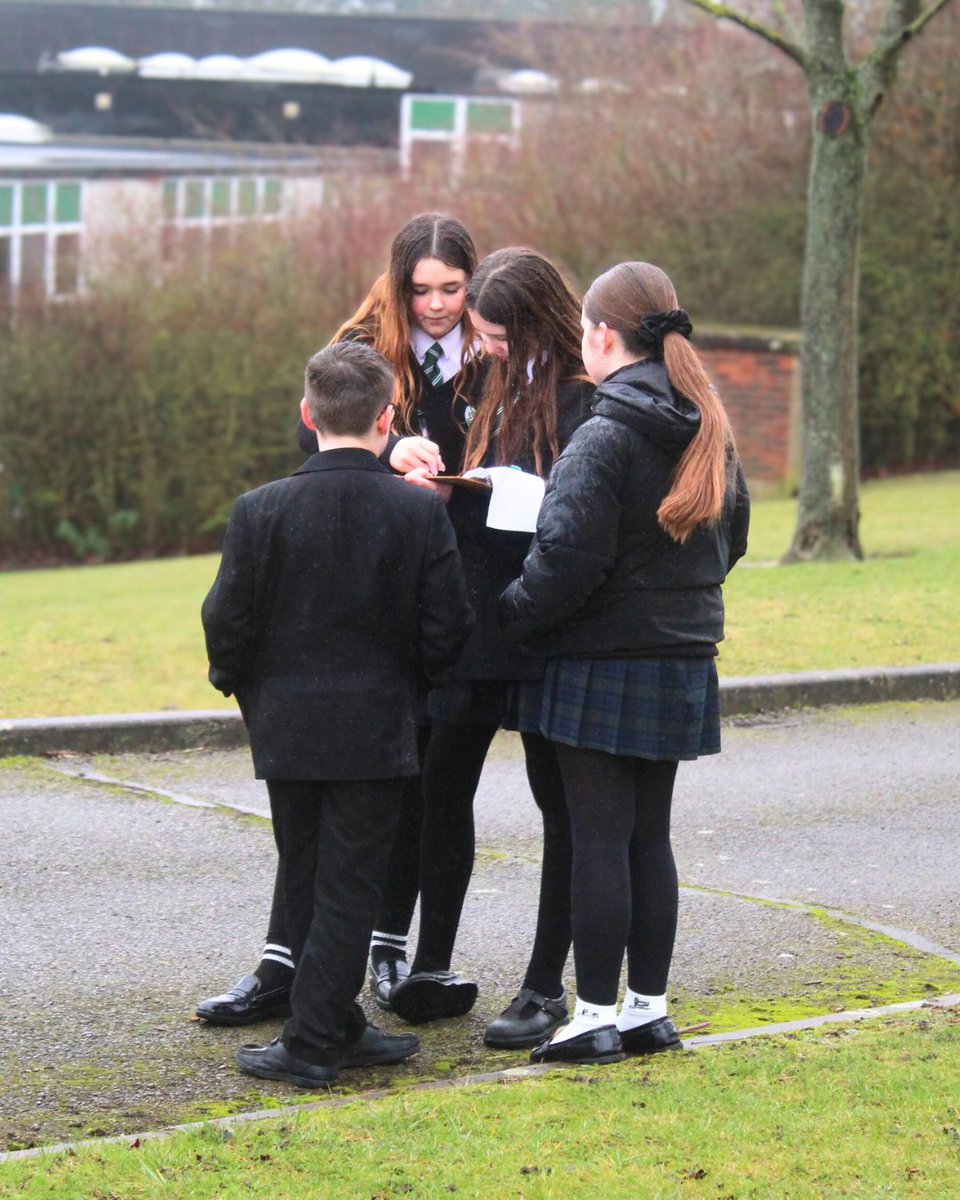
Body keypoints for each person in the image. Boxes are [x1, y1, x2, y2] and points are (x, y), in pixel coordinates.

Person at [195, 213, 486, 1026]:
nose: (436, 305)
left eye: (452, 289)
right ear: (397, 284)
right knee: (321, 811)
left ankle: (398, 953)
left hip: (454, 579)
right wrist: (389, 456)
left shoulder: (496, 348)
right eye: (420, 289)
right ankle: (286, 964)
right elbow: (319, 426)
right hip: (368, 583)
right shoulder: (361, 342)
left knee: (427, 792)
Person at [499, 261, 750, 1066]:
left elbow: (563, 562)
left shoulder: (603, 435)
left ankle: (593, 1016)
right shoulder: (707, 425)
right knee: (649, 837)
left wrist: (509, 618)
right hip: (680, 656)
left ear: (603, 337)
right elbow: (733, 541)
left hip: (600, 661)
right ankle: (647, 1010)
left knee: (599, 841)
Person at [388, 248, 595, 1049]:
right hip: (478, 616)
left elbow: (579, 509)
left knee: (559, 803)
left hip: (543, 621)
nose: (490, 348)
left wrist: (515, 495)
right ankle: (430, 966)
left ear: (538, 322)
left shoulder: (584, 393)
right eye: (486, 335)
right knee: (441, 783)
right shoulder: (487, 381)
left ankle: (544, 985)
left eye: (501, 336)